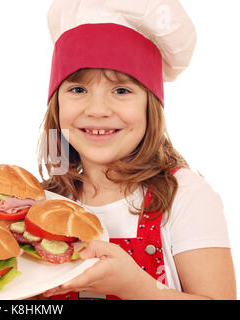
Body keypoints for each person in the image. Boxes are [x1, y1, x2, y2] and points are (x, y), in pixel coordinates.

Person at [32, 0, 236, 300]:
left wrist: (135, 288)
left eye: (121, 90)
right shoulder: (47, 200)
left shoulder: (183, 195)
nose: (98, 109)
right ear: (57, 104)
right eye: (78, 89)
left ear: (149, 106)